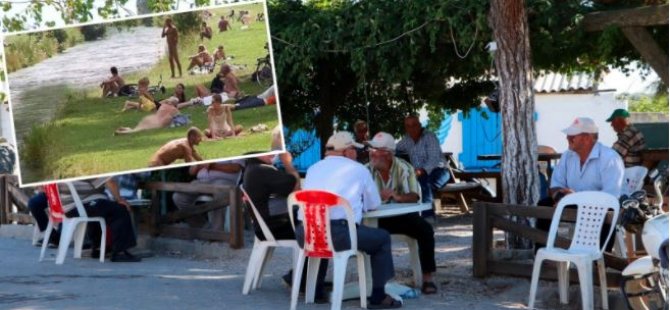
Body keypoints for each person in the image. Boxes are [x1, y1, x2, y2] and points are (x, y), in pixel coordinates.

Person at [300, 131, 402, 309]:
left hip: (306, 233)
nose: (357, 153)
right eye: (354, 149)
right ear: (347, 151)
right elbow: (374, 204)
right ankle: (378, 295)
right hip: (339, 234)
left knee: (322, 227)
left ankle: (315, 291)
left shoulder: (312, 168)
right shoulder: (358, 169)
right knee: (383, 238)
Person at [366, 132, 438, 294]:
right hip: (374, 218)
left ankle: (427, 278)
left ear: (388, 153)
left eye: (376, 150)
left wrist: (396, 196)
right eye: (371, 149)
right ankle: (376, 284)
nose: (372, 153)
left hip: (400, 217)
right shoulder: (365, 170)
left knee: (425, 229)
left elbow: (414, 196)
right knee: (365, 233)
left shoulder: (404, 168)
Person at [537, 117, 624, 250]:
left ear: (587, 138)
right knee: (544, 205)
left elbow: (611, 197)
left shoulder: (610, 158)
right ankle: (544, 252)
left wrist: (577, 198)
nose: (567, 138)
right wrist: (560, 199)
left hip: (599, 207)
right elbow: (555, 185)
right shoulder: (567, 156)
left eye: (572, 136)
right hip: (572, 202)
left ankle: (600, 258)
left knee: (609, 212)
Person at [58, 178, 141, 262]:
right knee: (120, 209)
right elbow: (110, 182)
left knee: (101, 207)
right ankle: (120, 252)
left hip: (67, 206)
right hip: (78, 204)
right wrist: (120, 199)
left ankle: (99, 248)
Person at [396, 115, 449, 217]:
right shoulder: (406, 139)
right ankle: (414, 215)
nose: (411, 128)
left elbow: (433, 160)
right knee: (412, 184)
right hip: (420, 174)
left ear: (420, 125)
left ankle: (427, 216)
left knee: (424, 183)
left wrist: (418, 172)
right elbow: (394, 149)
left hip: (440, 171)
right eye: (408, 126)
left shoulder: (429, 137)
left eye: (414, 125)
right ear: (405, 128)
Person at [173, 159, 244, 229]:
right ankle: (203, 227)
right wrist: (197, 165)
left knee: (220, 194)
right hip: (202, 181)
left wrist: (213, 166)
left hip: (224, 181)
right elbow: (191, 172)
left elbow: (236, 168)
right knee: (179, 197)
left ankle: (217, 233)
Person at [115, 103, 180, 135]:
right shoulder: (174, 110)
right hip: (155, 122)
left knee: (138, 128)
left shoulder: (163, 105)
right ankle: (122, 132)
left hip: (151, 119)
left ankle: (126, 129)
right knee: (138, 130)